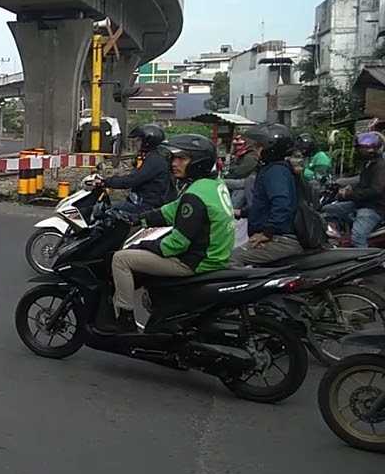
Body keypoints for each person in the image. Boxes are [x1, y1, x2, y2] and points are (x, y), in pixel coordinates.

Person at [100, 134, 234, 334]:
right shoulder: (211, 184)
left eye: (182, 159)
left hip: (196, 261)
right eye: (174, 158)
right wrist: (140, 219)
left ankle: (125, 319)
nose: (174, 164)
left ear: (198, 162)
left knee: (122, 259)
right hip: (215, 254)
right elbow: (172, 210)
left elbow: (177, 244)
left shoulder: (194, 196)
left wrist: (144, 245)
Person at [230, 124, 303, 265]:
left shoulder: (275, 171)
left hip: (280, 239)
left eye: (258, 147)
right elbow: (265, 206)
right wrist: (240, 212)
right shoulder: (276, 169)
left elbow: (282, 204)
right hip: (278, 236)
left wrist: (267, 233)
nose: (255, 150)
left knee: (230, 259)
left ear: (271, 148)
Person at [322, 131, 385, 247]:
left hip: (373, 208)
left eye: (365, 148)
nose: (361, 151)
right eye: (360, 148)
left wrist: (350, 194)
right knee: (328, 209)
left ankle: (367, 262)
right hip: (361, 204)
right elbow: (362, 184)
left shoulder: (380, 166)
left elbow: (376, 191)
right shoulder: (368, 164)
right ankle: (338, 234)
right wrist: (348, 189)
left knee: (358, 237)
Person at [101, 124, 173, 214]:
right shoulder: (152, 157)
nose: (134, 143)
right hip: (142, 201)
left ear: (148, 141)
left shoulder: (155, 160)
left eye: (138, 139)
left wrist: (105, 182)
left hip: (148, 206)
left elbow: (132, 180)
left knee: (104, 210)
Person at [224, 135, 259, 209]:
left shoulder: (251, 156)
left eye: (240, 145)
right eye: (236, 145)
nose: (237, 147)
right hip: (241, 180)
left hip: (245, 182)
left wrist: (231, 171)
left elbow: (242, 171)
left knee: (234, 205)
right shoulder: (241, 155)